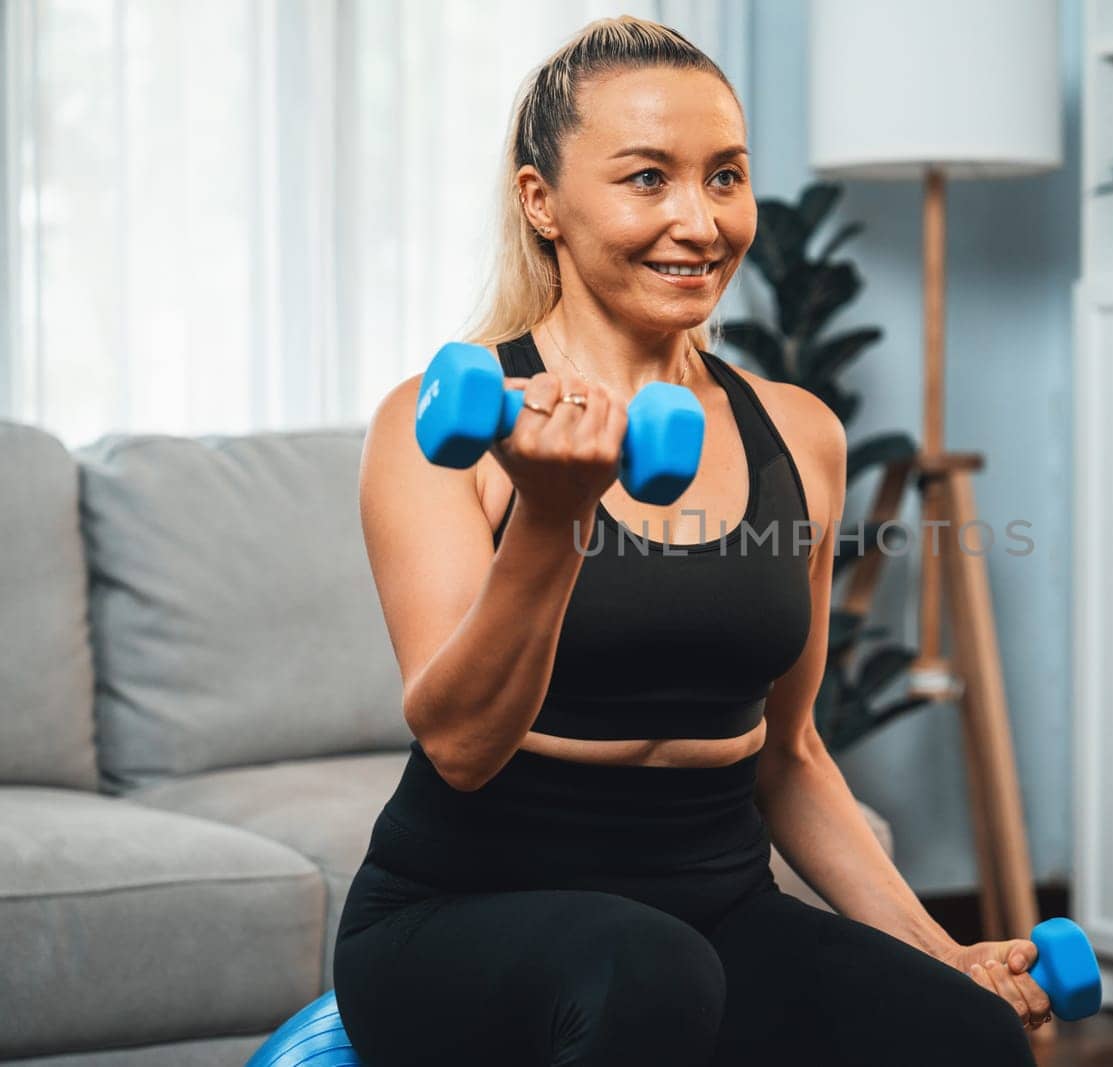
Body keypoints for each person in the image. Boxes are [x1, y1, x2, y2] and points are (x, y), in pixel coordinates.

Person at [333, 15, 1047, 1066]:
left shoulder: (799, 433)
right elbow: (460, 745)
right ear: (543, 203)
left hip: (711, 909)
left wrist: (940, 951)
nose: (698, 221)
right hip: (464, 912)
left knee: (967, 1038)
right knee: (649, 972)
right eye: (646, 178)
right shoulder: (447, 426)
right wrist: (554, 513)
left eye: (725, 176)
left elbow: (793, 753)